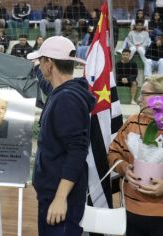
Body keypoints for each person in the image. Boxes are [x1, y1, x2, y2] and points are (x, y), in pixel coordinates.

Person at [27, 36, 96, 236]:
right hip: (53, 193)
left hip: (60, 197)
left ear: (49, 63)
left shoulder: (66, 100)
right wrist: (32, 68)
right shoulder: (63, 92)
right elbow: (47, 84)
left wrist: (60, 198)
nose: (39, 66)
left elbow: (77, 151)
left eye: (41, 62)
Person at [107, 76, 163, 236]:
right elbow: (113, 153)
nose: (139, 99)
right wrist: (124, 168)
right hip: (130, 211)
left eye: (144, 94)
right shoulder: (132, 122)